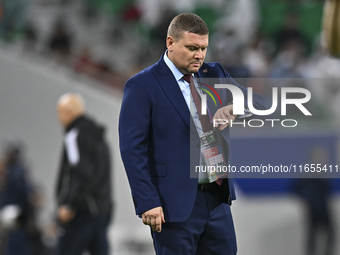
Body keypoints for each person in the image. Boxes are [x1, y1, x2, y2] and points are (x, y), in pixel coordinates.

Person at [119, 13, 266, 255]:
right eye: (191, 48)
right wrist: (147, 201)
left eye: (203, 48)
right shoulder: (143, 85)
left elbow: (260, 104)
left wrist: (236, 108)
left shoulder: (214, 74)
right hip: (173, 205)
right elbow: (132, 149)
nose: (199, 55)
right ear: (170, 43)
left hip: (217, 199)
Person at [55, 93, 113, 255]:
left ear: (68, 112)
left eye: (59, 113)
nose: (59, 119)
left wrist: (68, 204)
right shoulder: (99, 138)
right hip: (102, 208)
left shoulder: (74, 136)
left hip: (81, 211)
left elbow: (79, 173)